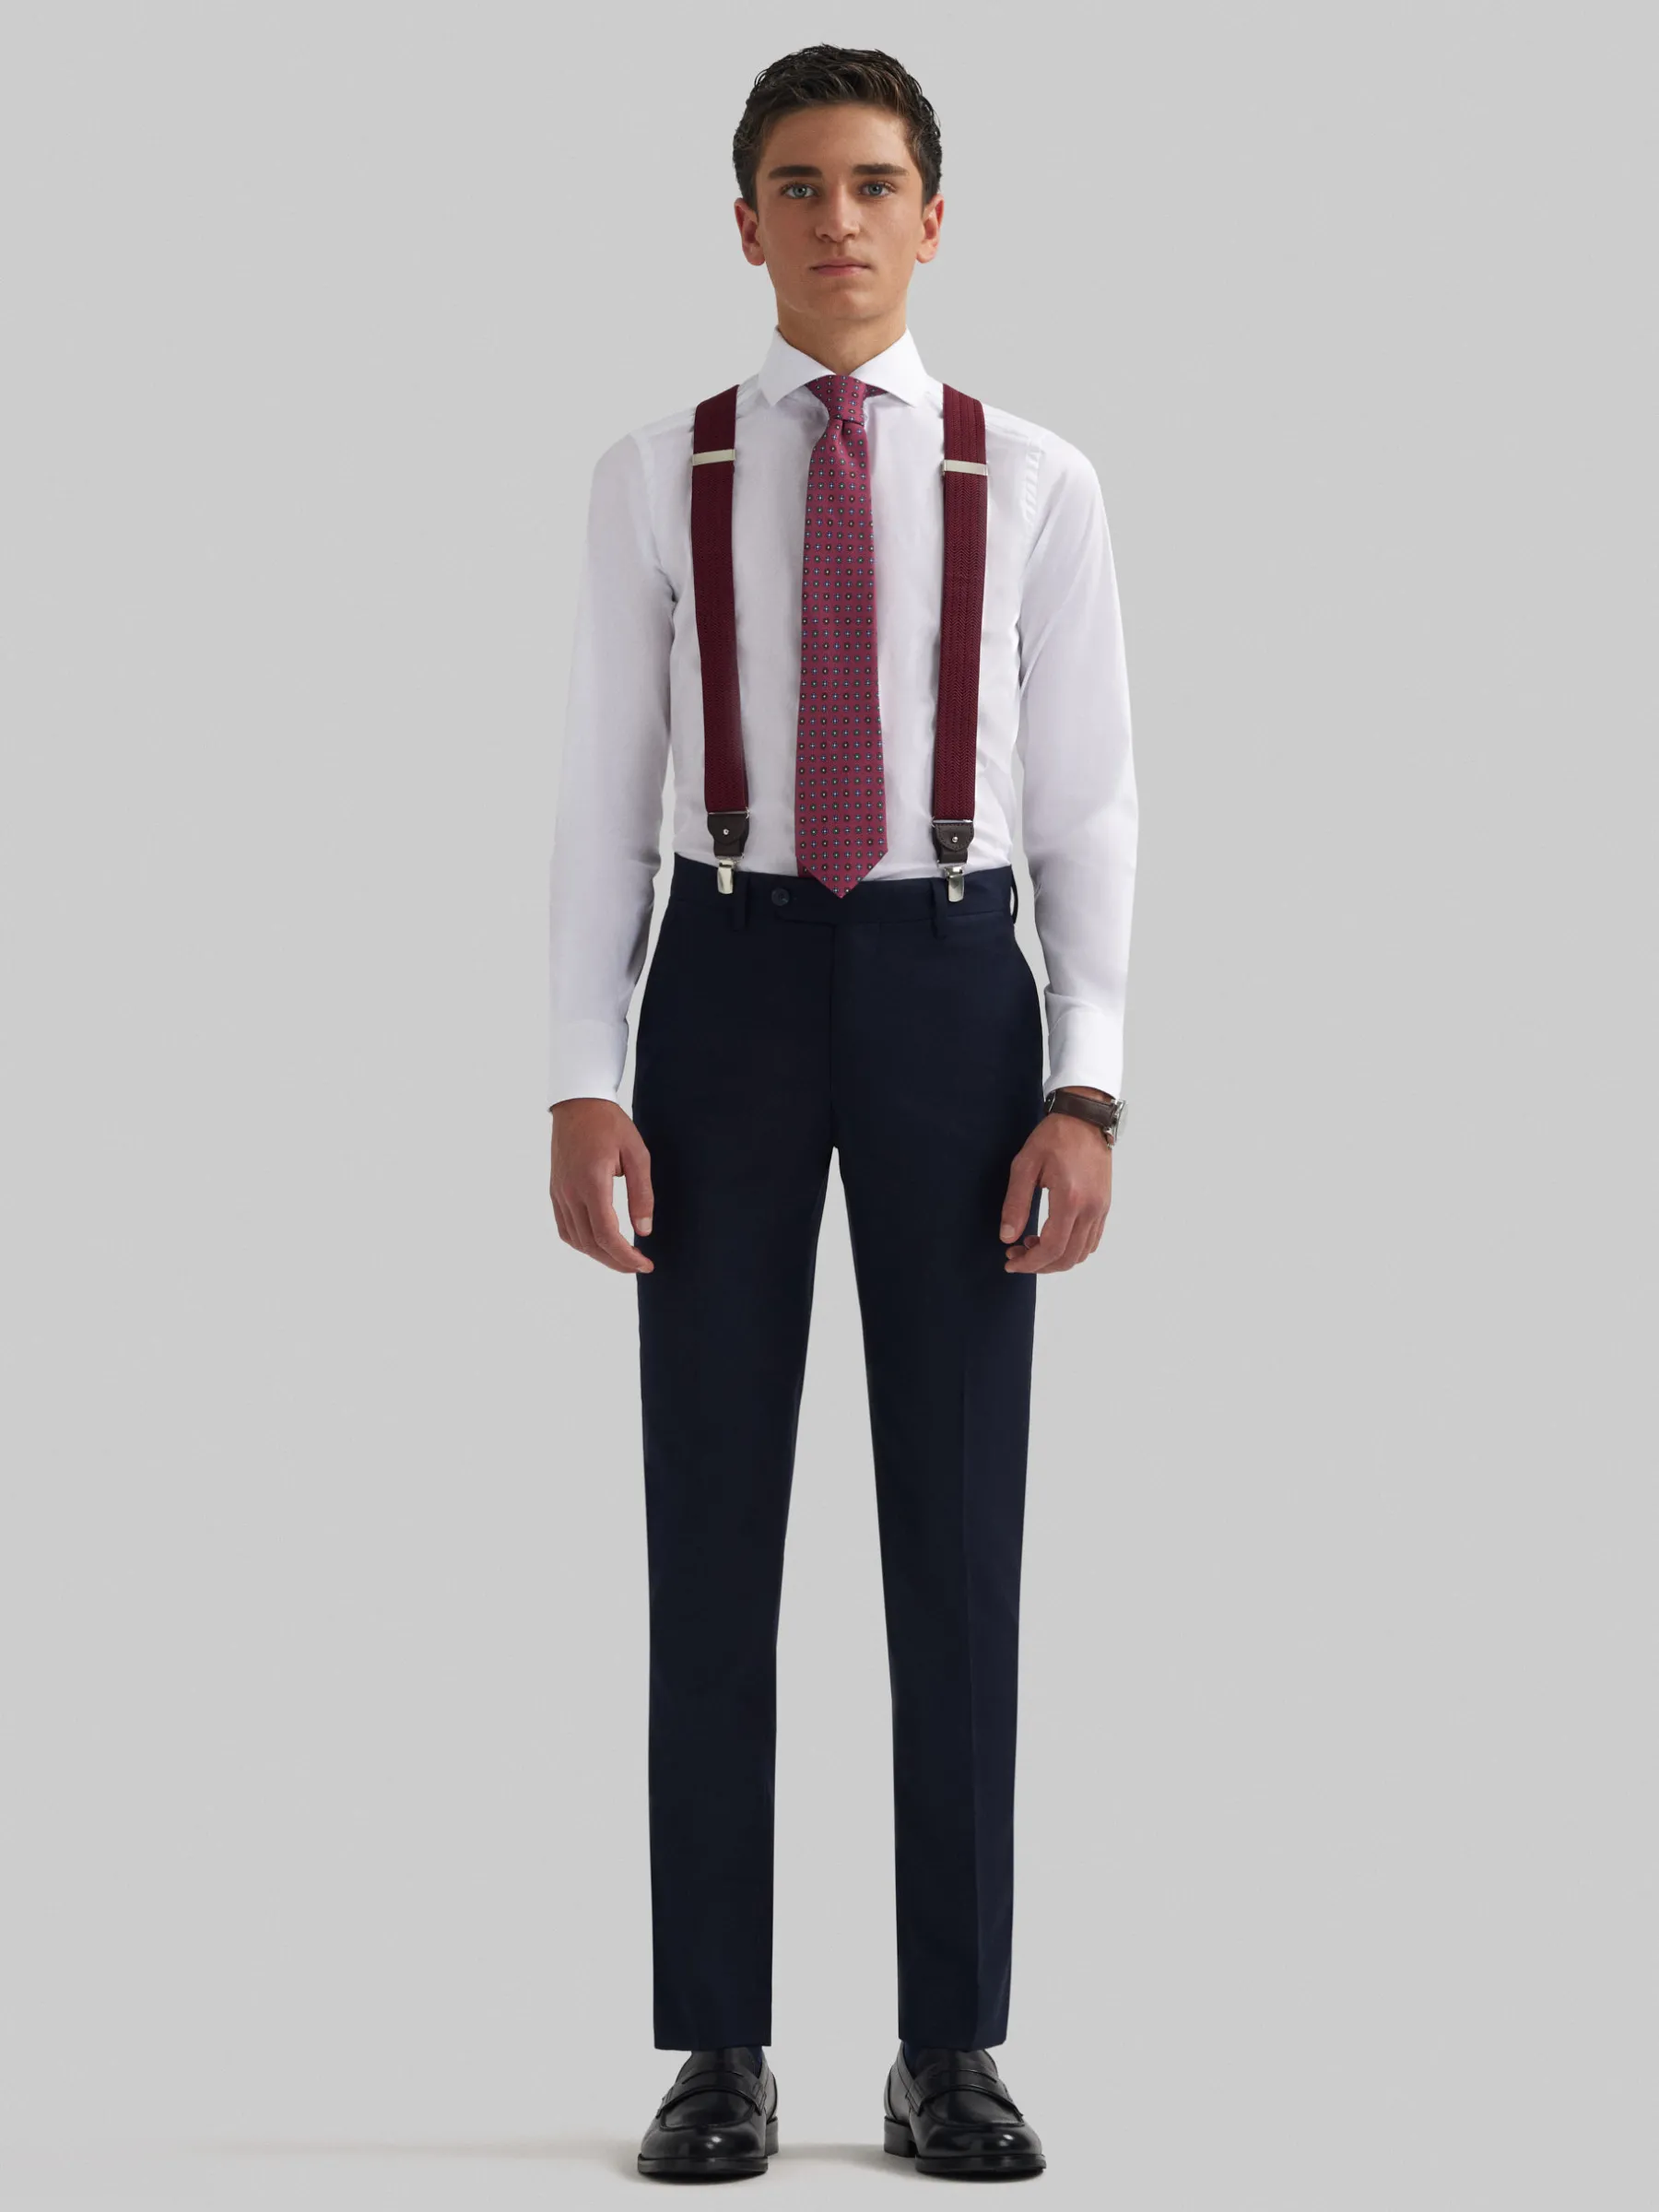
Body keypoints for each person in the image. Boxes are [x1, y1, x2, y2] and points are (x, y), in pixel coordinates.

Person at [546, 44, 1135, 2183]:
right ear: (746, 225)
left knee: (955, 1530)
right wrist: (583, 1076)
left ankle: (949, 2045)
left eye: (875, 182)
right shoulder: (657, 472)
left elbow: (1091, 801)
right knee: (710, 1517)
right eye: (797, 184)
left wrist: (1087, 1081)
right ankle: (718, 2046)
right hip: (723, 981)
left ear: (933, 218)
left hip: (951, 978)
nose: (839, 219)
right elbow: (601, 793)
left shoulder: (1034, 478)